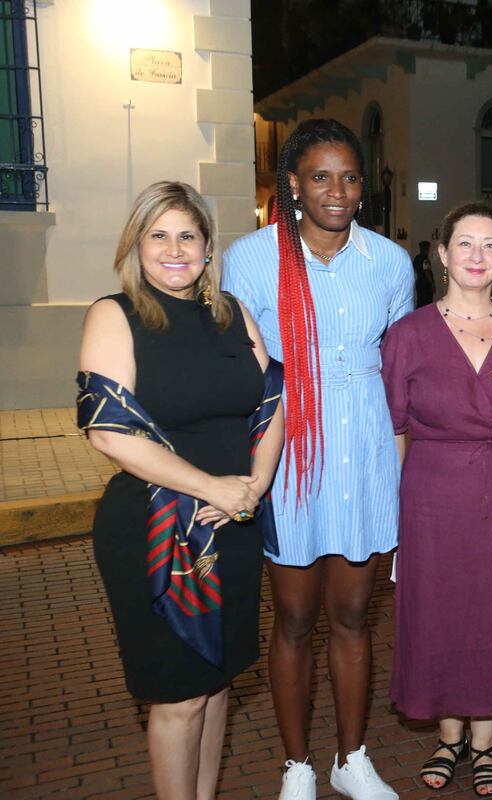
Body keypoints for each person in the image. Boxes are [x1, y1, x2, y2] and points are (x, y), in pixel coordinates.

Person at [222, 118, 414, 800]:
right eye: (321, 176)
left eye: (351, 176)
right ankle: (298, 765)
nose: (338, 190)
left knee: (356, 617)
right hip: (289, 450)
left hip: (363, 451)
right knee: (295, 619)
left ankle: (351, 758)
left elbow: (399, 371)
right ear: (295, 185)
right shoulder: (250, 259)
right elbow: (240, 368)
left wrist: (399, 470)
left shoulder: (389, 263)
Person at [78, 181, 284, 800]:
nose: (174, 250)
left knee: (218, 681)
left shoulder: (232, 314)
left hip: (234, 525)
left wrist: (255, 485)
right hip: (156, 532)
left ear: (206, 247)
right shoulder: (114, 315)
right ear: (136, 246)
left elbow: (275, 403)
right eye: (158, 236)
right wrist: (213, 488)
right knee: (178, 695)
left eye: (187, 236)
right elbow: (108, 432)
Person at [380, 202, 492, 796]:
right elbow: (394, 430)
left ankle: (485, 742)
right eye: (465, 243)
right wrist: (401, 516)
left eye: (489, 246)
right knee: (440, 613)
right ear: (442, 253)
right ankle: (447, 736)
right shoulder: (407, 334)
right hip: (432, 499)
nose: (476, 255)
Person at [411, 240, 435, 307]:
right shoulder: (425, 259)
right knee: (426, 302)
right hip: (425, 284)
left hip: (419, 282)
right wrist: (432, 283)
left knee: (420, 301)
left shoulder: (416, 258)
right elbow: (427, 271)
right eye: (428, 248)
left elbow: (414, 268)